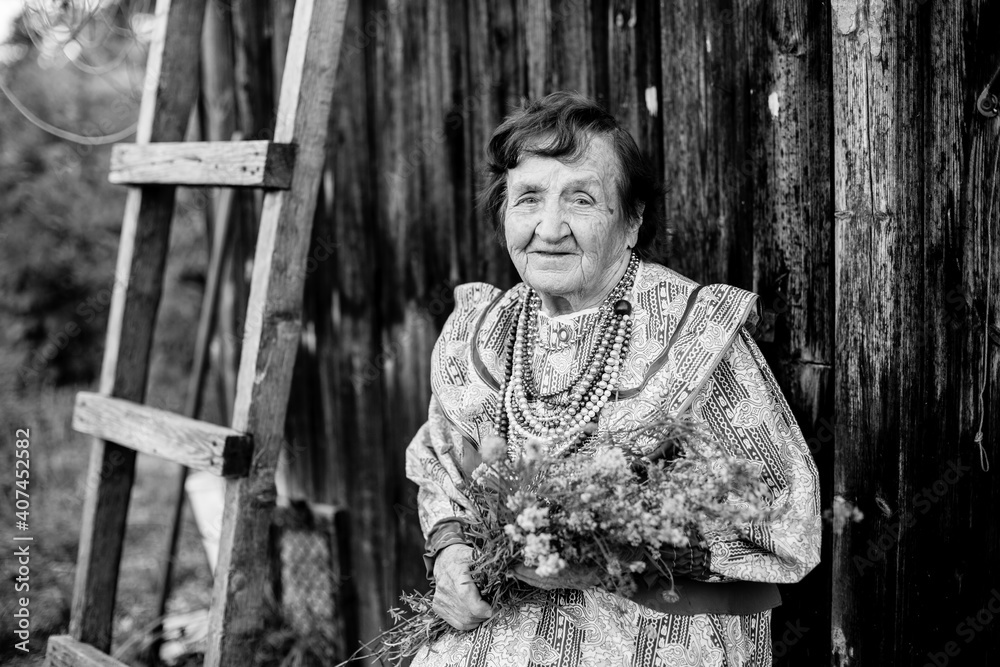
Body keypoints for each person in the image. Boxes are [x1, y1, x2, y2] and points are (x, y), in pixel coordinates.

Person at [404, 91, 820, 666]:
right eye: (528, 199)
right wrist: (451, 553)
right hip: (495, 627)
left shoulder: (692, 336)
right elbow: (443, 462)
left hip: (651, 636)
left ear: (631, 221)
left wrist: (606, 556)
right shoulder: (485, 331)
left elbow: (786, 515)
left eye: (581, 199)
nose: (549, 227)